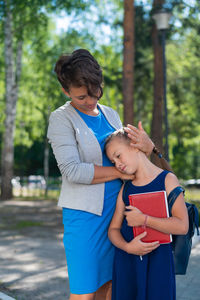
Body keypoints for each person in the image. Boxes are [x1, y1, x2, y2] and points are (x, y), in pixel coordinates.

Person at [47, 49, 164, 300]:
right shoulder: (60, 119)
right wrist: (120, 173)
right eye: (81, 97)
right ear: (65, 91)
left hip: (118, 214)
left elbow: (129, 155)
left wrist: (147, 147)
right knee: (84, 292)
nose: (90, 101)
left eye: (96, 91)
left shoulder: (111, 114)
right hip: (85, 219)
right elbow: (72, 171)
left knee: (110, 289)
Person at [105, 128, 189, 300]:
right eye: (113, 162)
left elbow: (182, 226)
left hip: (158, 264)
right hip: (128, 262)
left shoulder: (167, 180)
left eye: (118, 156)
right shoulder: (125, 188)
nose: (117, 164)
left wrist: (144, 219)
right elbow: (113, 230)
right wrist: (128, 247)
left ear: (136, 146)